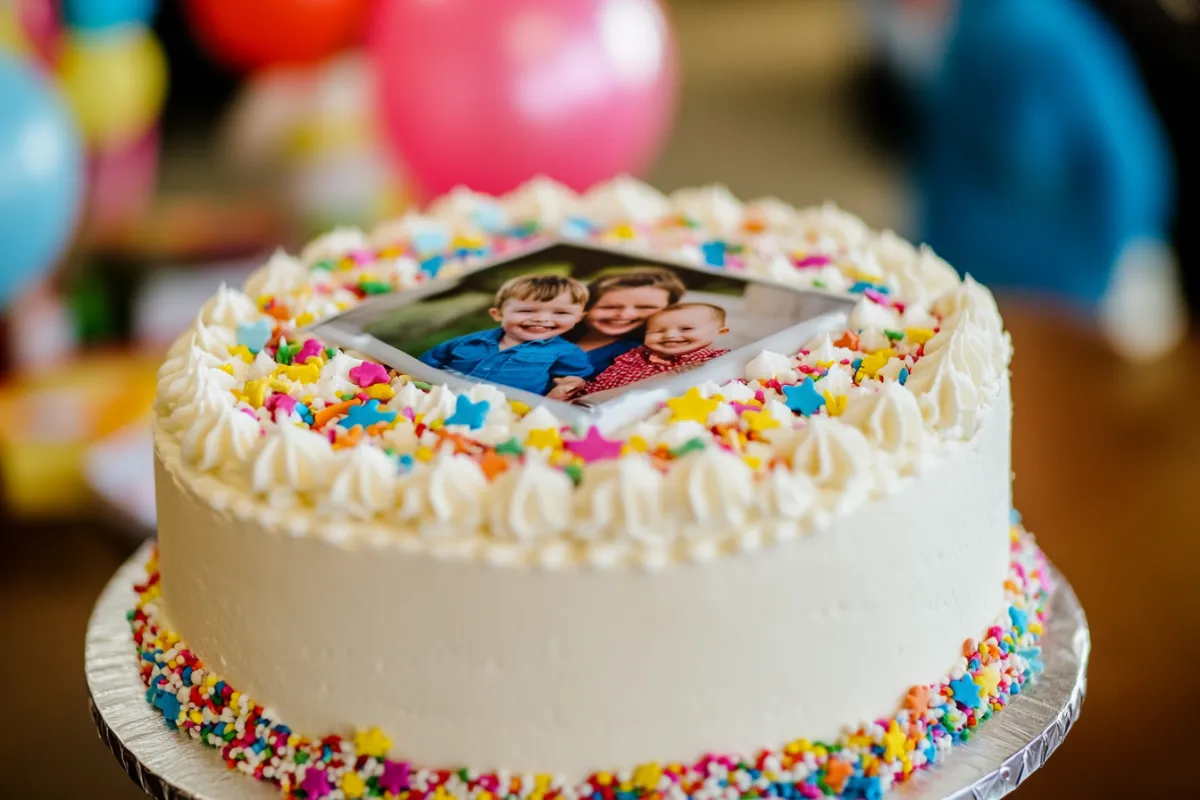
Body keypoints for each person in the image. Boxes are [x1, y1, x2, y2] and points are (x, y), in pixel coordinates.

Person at [419, 274, 592, 395]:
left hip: (506, 414)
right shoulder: (468, 342)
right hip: (439, 397)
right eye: (526, 310)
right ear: (497, 314)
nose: (541, 319)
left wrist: (571, 383)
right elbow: (424, 364)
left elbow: (580, 381)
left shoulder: (567, 353)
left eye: (561, 313)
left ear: (578, 318)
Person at [571, 303, 731, 396]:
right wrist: (582, 390)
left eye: (686, 329)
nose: (670, 335)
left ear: (720, 332)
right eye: (658, 331)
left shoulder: (718, 359)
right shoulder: (634, 356)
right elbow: (605, 380)